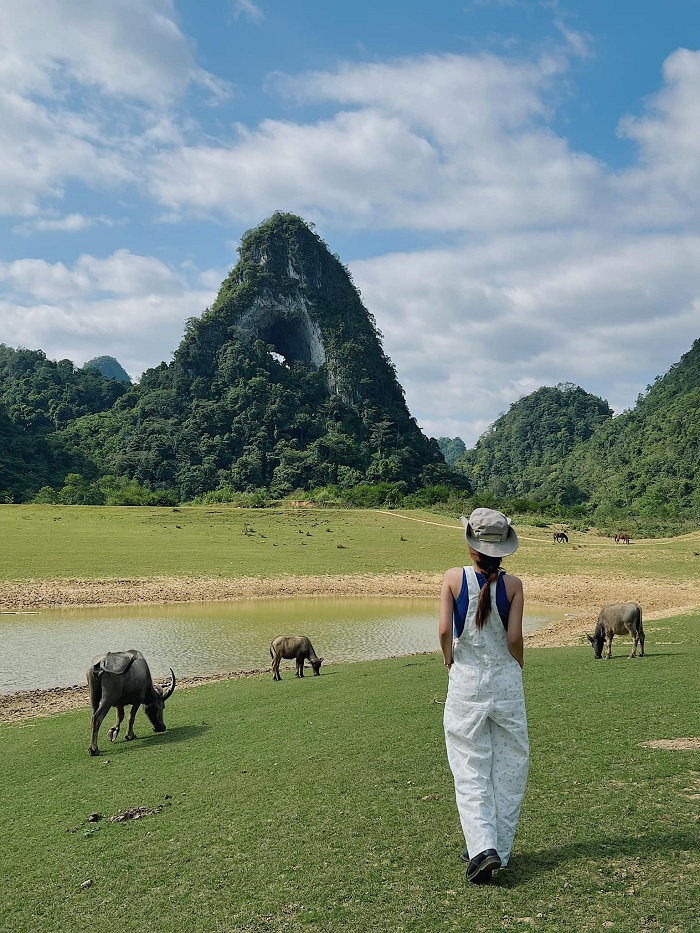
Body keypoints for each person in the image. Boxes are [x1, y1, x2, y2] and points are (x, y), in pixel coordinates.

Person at [439, 507, 529, 884]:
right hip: (506, 683)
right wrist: (517, 668)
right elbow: (513, 639)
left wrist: (450, 661)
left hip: (467, 682)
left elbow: (445, 631)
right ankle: (496, 848)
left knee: (469, 765)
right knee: (510, 766)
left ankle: (481, 847)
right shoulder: (515, 586)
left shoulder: (452, 579)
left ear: (471, 545)